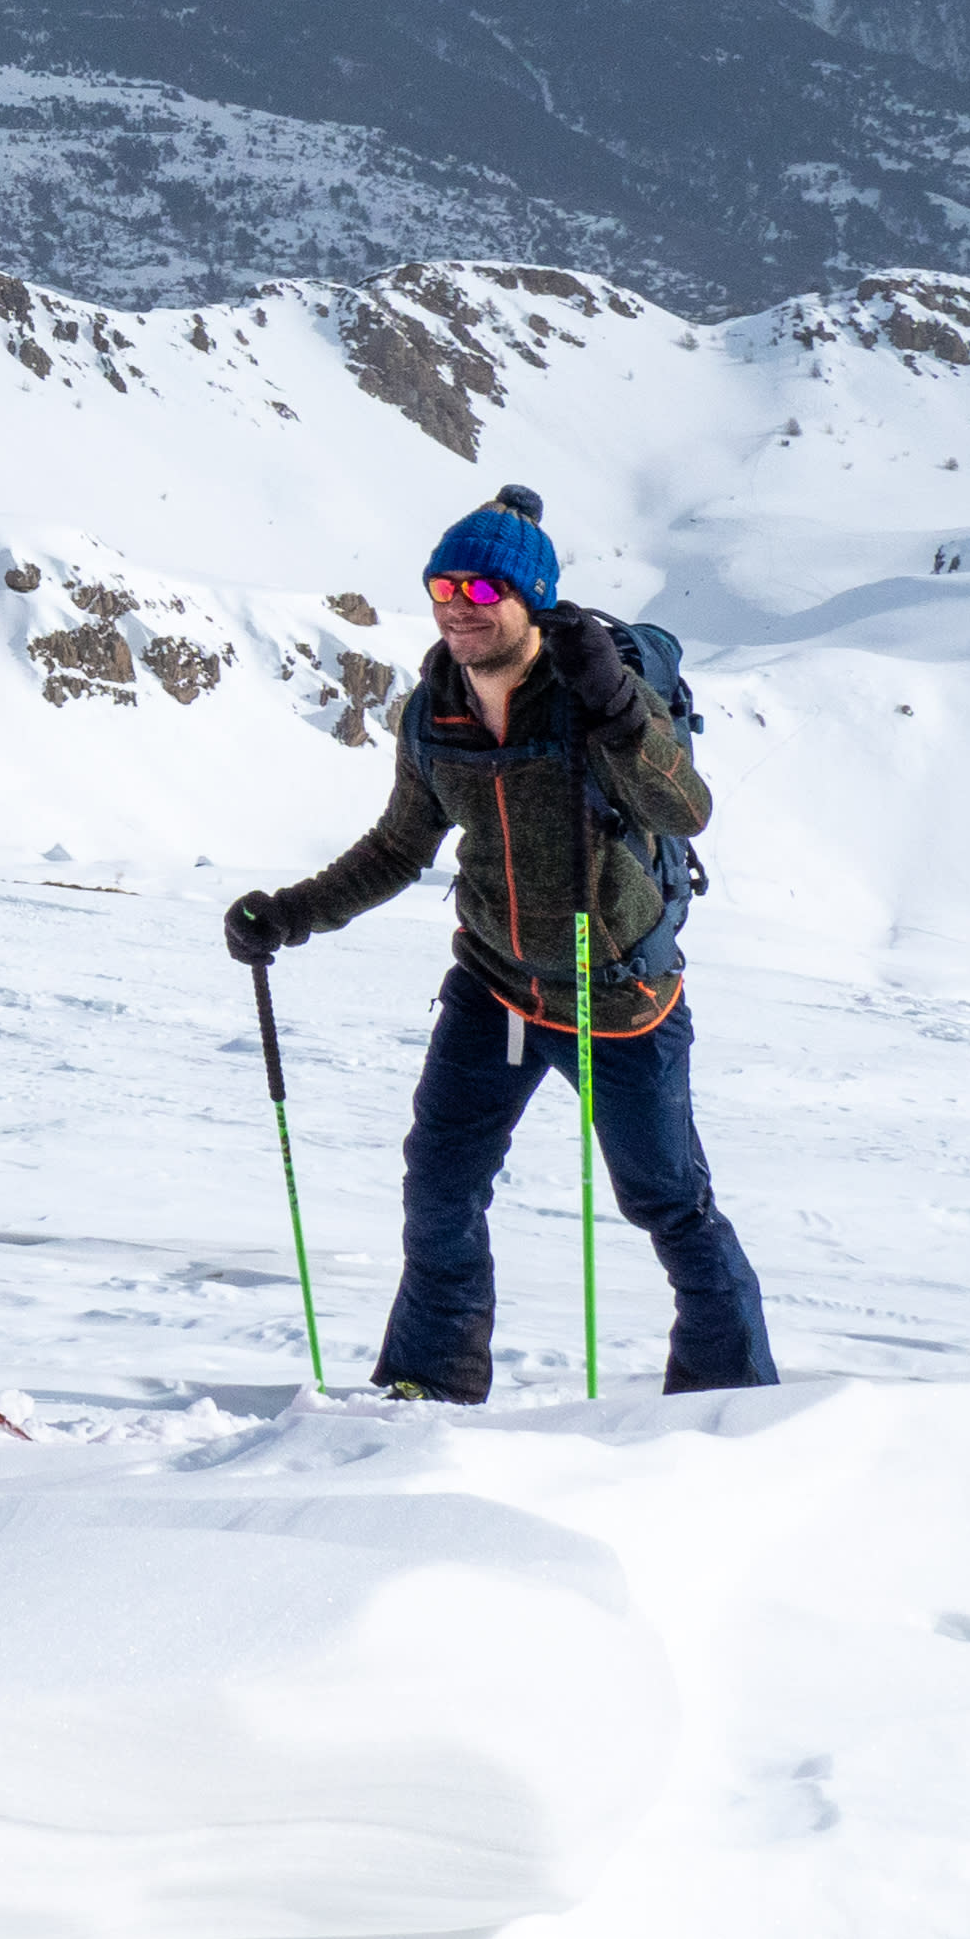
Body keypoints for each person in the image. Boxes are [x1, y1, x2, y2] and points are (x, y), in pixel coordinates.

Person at [223, 488, 773, 1400]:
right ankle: (428, 1384)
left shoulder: (595, 695)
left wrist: (623, 715)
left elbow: (688, 810)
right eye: (443, 586)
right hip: (495, 987)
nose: (456, 607)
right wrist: (291, 913)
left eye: (481, 592)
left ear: (531, 600)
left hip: (620, 996)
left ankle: (731, 1396)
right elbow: (401, 845)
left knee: (669, 1204)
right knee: (439, 1186)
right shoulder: (434, 705)